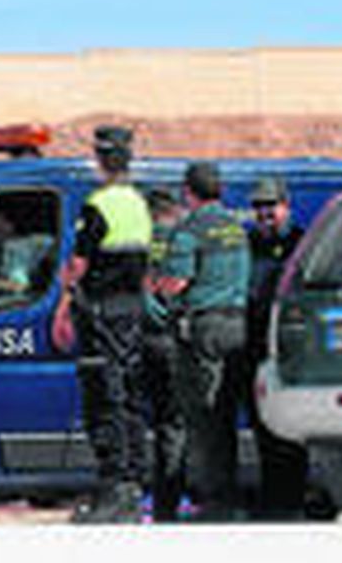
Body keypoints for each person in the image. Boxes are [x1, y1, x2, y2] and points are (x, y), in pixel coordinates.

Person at [61, 125, 154, 524]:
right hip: (132, 311)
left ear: (101, 160)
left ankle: (114, 487)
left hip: (100, 312)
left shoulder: (98, 205)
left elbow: (78, 265)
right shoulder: (138, 204)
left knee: (104, 395)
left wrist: (64, 300)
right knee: (130, 395)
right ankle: (132, 485)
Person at [158, 162, 251, 522]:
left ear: (188, 192)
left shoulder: (190, 229)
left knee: (204, 417)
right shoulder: (235, 227)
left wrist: (157, 283)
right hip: (237, 326)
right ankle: (227, 495)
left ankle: (216, 500)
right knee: (227, 415)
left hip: (205, 329)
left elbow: (177, 282)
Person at [238, 178, 314, 519]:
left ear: (287, 206)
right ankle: (274, 500)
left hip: (288, 350)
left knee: (291, 428)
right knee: (262, 427)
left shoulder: (303, 242)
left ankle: (293, 498)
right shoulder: (248, 243)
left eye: (271, 206)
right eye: (259, 207)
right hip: (253, 349)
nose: (265, 214)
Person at [142, 188, 189, 523]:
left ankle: (149, 498)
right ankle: (170, 501)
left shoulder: (139, 244)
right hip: (174, 340)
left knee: (149, 424)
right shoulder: (182, 241)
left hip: (143, 340)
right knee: (175, 426)